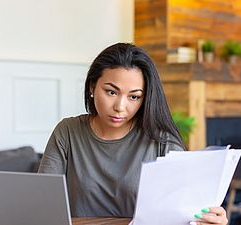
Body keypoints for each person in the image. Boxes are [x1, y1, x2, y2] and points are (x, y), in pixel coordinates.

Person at [38, 43, 228, 225]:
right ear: (92, 87)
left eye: (134, 97)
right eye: (111, 92)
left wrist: (207, 220)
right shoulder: (67, 132)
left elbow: (181, 216)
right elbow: (43, 203)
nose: (120, 107)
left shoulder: (162, 142)